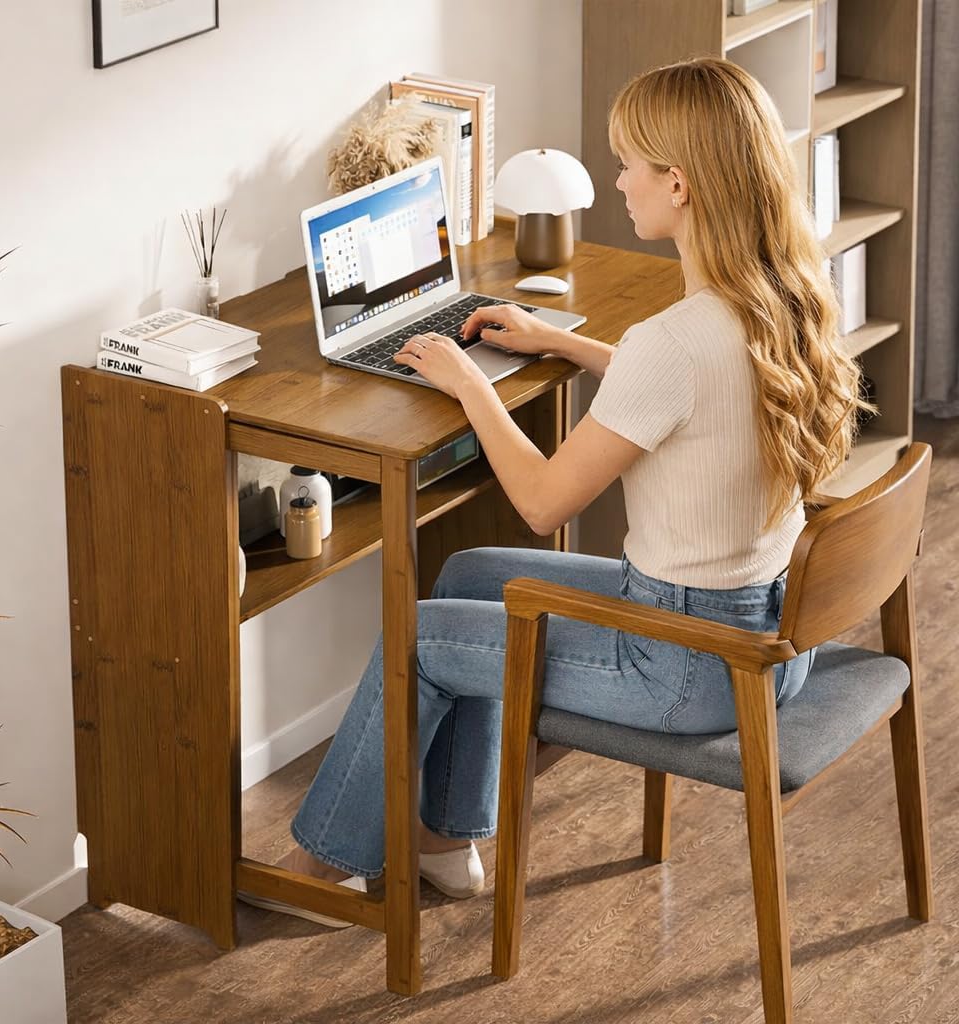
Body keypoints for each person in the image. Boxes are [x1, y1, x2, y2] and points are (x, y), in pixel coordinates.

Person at [238, 57, 867, 925]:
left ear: (679, 185)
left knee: (415, 634)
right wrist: (566, 345)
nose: (616, 181)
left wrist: (470, 384)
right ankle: (445, 845)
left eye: (628, 164)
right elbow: (696, 397)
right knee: (464, 575)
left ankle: (324, 867)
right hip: (758, 635)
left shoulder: (673, 341)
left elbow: (541, 501)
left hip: (682, 665)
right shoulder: (782, 297)